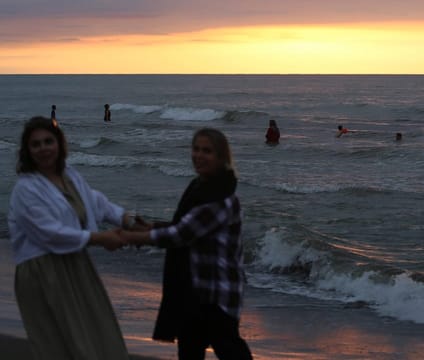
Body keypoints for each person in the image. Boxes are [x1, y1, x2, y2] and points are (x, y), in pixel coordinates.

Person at [120, 128, 252, 360]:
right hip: (193, 290)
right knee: (189, 350)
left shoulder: (222, 199)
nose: (199, 155)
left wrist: (129, 237)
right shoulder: (200, 186)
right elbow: (184, 225)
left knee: (230, 350)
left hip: (217, 293)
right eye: (196, 149)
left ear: (222, 158)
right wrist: (150, 227)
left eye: (207, 151)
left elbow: (180, 234)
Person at [7, 116, 132, 360]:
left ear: (59, 144)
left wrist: (126, 220)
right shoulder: (26, 188)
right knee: (65, 343)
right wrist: (100, 238)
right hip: (43, 273)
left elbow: (95, 203)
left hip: (75, 265)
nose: (43, 148)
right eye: (36, 144)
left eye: (48, 141)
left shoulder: (70, 176)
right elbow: (49, 233)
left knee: (96, 335)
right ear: (27, 151)